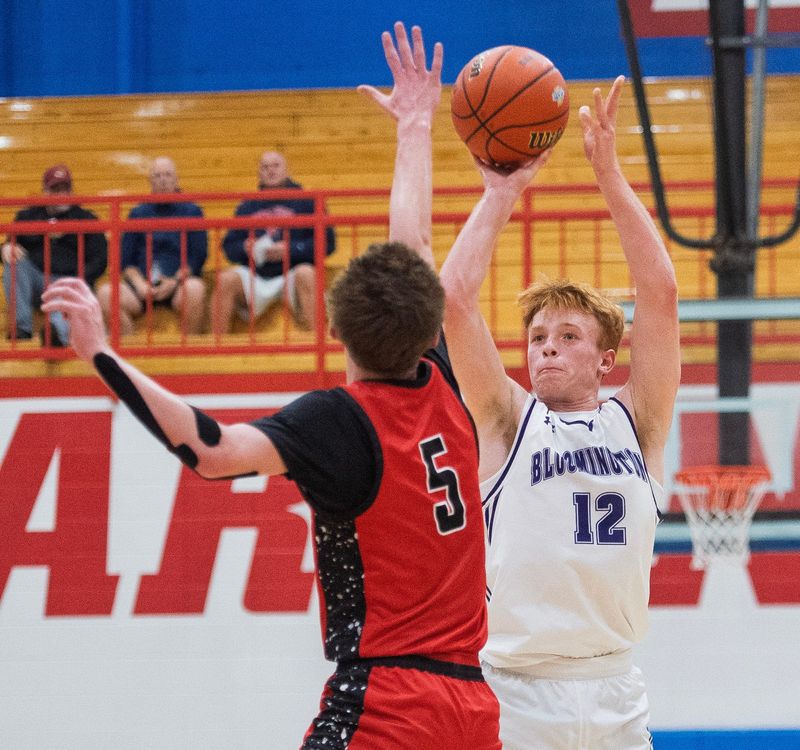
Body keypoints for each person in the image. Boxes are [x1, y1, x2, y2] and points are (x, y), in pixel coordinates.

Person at [42, 23, 500, 750]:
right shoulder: (448, 387)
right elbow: (412, 243)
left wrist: (102, 353)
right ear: (426, 326)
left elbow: (213, 451)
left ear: (338, 334)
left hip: (387, 702)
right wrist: (415, 127)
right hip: (475, 706)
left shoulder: (341, 420)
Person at [438, 77, 681, 749]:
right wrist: (502, 191)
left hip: (616, 685)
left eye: (568, 337)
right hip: (514, 688)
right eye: (538, 338)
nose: (546, 349)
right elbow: (454, 299)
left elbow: (660, 292)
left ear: (607, 358)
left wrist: (608, 174)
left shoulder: (639, 422)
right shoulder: (508, 419)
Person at [211, 150, 335, 334]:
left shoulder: (308, 201)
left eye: (276, 166)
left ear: (287, 170)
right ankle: (216, 347)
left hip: (293, 272)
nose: (270, 171)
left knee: (307, 274)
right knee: (225, 279)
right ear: (259, 173)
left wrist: (291, 249)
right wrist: (245, 248)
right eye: (265, 167)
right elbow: (229, 246)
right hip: (256, 274)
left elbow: (328, 244)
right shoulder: (247, 206)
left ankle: (318, 340)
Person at [96, 156, 207, 335]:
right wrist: (140, 284)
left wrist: (174, 281)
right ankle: (128, 355)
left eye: (168, 175)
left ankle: (190, 355)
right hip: (141, 286)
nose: (163, 180)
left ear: (176, 180)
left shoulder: (192, 211)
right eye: (157, 176)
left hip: (177, 284)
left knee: (196, 289)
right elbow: (125, 261)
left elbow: (197, 257)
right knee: (105, 293)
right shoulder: (138, 213)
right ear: (150, 181)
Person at [2, 164, 107, 346]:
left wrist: (79, 279)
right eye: (55, 189)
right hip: (37, 280)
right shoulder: (28, 216)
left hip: (70, 281)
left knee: (69, 293)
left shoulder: (87, 218)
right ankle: (22, 329)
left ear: (71, 191)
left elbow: (100, 260)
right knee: (14, 265)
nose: (60, 194)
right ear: (44, 191)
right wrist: (5, 247)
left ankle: (55, 334)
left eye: (65, 189)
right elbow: (10, 243)